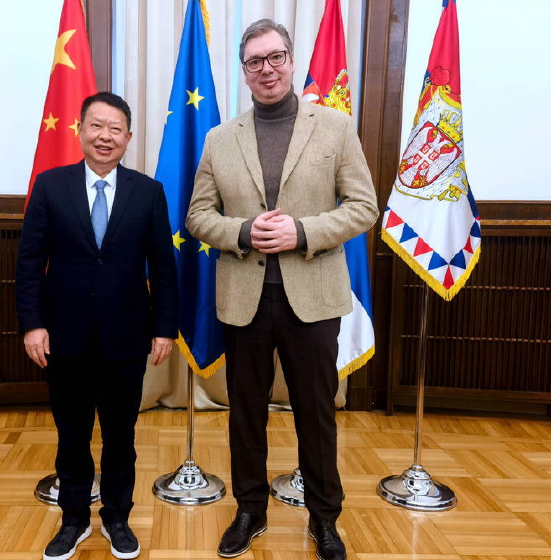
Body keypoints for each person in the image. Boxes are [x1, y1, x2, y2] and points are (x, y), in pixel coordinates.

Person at [186, 19, 378, 560]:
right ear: (243, 72)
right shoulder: (220, 138)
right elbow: (199, 215)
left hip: (313, 296)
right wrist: (244, 232)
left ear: (291, 61)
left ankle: (324, 518)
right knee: (244, 410)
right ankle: (250, 510)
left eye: (275, 58)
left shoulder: (336, 127)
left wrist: (304, 232)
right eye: (254, 62)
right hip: (244, 297)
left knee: (316, 411)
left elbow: (364, 207)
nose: (266, 69)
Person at [16, 92, 178, 560]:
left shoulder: (149, 192)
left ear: (128, 138)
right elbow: (30, 264)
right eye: (97, 126)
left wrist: (164, 328)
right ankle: (72, 521)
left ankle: (118, 519)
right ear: (80, 131)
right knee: (71, 436)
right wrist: (32, 325)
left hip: (126, 338)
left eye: (116, 129)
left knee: (120, 436)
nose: (106, 136)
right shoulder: (50, 186)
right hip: (63, 338)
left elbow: (163, 268)